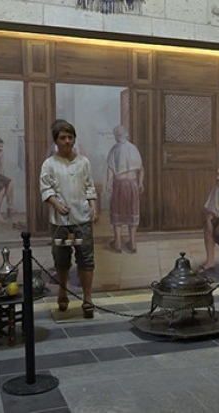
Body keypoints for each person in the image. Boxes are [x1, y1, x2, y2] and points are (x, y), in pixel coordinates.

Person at [40, 119, 98, 318]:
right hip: (60, 223)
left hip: (82, 220)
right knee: (61, 259)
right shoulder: (49, 164)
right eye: (63, 138)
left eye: (70, 137)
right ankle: (62, 293)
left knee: (86, 258)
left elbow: (90, 187)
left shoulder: (83, 162)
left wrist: (93, 206)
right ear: (56, 140)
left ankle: (87, 298)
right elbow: (46, 189)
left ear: (74, 139)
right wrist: (57, 204)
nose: (67, 141)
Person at [106, 125, 144, 253]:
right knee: (131, 212)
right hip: (132, 184)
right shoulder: (133, 148)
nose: (117, 137)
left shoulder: (115, 149)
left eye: (117, 134)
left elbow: (111, 168)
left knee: (118, 212)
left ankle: (119, 244)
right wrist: (140, 183)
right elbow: (141, 169)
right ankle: (131, 243)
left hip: (120, 185)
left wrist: (109, 182)